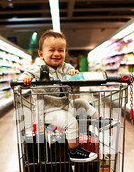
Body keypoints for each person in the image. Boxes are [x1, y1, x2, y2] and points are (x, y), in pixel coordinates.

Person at [19, 29, 99, 162]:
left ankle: (98, 121)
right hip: (47, 110)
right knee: (71, 122)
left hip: (63, 105)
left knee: (83, 103)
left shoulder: (65, 66)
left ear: (65, 53)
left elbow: (74, 72)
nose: (56, 53)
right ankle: (74, 151)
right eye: (51, 50)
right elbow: (24, 76)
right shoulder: (38, 67)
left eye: (60, 50)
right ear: (41, 54)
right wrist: (26, 78)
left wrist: (74, 72)